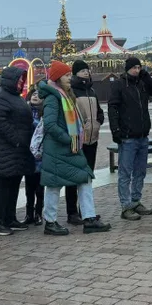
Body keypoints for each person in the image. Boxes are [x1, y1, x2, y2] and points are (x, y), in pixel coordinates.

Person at [38, 61, 111, 235]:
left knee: (85, 179)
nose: (70, 78)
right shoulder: (52, 98)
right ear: (57, 78)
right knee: (54, 185)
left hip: (70, 148)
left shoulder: (65, 95)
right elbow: (49, 124)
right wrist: (68, 139)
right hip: (59, 149)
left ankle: (89, 217)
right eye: (66, 75)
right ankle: (50, 221)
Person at [108, 56, 152, 221]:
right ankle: (126, 206)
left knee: (140, 172)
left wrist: (147, 77)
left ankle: (135, 201)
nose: (137, 71)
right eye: (134, 68)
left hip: (142, 135)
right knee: (125, 173)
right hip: (127, 136)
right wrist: (115, 130)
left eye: (139, 68)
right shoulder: (119, 85)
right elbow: (112, 108)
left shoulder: (142, 84)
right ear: (127, 69)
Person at [0, 66, 35, 235]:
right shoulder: (0, 97)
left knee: (14, 184)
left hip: (18, 150)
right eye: (19, 79)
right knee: (3, 186)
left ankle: (10, 217)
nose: (21, 82)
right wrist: (16, 140)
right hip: (6, 149)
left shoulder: (16, 97)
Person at [66, 60, 104, 224]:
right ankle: (72, 212)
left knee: (87, 176)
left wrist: (98, 121)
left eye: (87, 71)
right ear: (75, 74)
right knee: (74, 177)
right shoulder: (72, 91)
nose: (86, 73)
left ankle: (86, 210)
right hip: (78, 140)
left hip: (92, 139)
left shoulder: (92, 90)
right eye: (82, 71)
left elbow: (99, 111)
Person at [23, 90, 45, 225]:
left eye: (39, 94)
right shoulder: (25, 112)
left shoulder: (45, 113)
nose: (35, 96)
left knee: (39, 187)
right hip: (27, 154)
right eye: (33, 94)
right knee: (28, 187)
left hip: (41, 154)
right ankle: (28, 214)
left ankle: (38, 213)